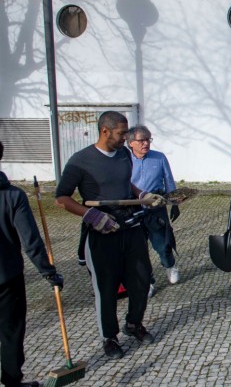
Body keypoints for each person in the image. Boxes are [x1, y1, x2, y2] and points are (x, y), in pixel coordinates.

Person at [55, 111, 164, 360]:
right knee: (106, 289)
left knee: (141, 281)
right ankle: (109, 337)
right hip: (102, 234)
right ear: (105, 131)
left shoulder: (124, 153)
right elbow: (61, 198)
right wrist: (90, 215)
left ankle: (133, 324)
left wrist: (141, 195)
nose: (126, 138)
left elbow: (127, 184)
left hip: (131, 228)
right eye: (121, 133)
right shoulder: (80, 161)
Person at [0, 141, 63, 387]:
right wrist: (49, 273)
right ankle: (12, 382)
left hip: (7, 274)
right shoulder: (13, 196)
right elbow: (31, 242)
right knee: (10, 331)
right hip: (7, 277)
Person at [126, 125, 181, 286]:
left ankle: (170, 266)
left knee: (162, 243)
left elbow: (169, 180)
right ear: (131, 143)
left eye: (148, 139)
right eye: (141, 140)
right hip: (133, 208)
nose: (145, 143)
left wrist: (174, 203)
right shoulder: (124, 160)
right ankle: (147, 281)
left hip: (156, 205)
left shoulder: (159, 157)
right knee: (138, 249)